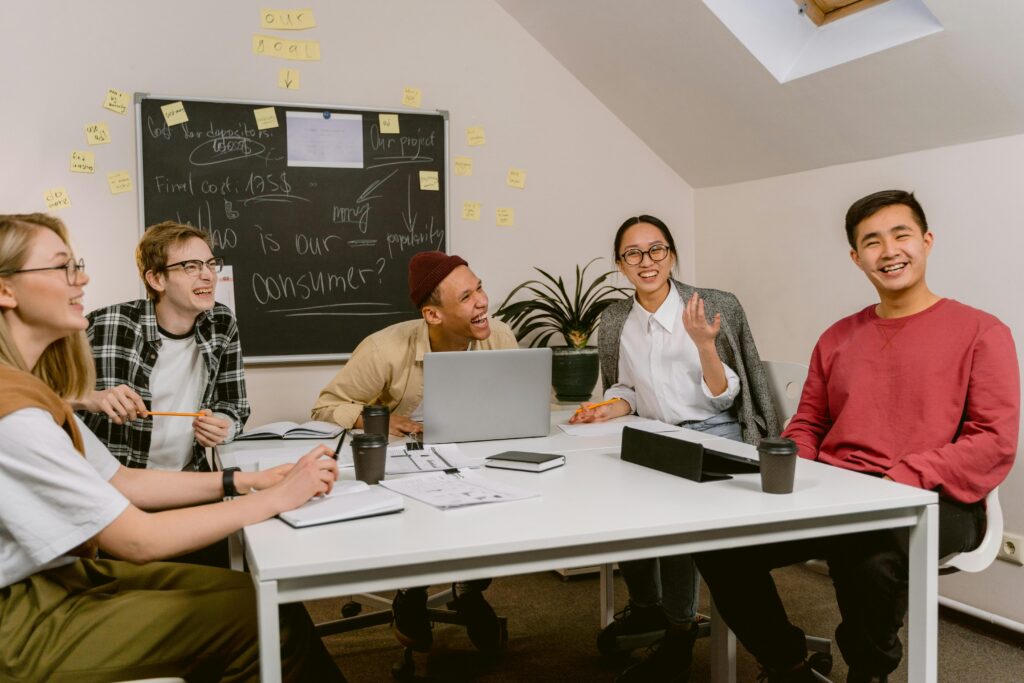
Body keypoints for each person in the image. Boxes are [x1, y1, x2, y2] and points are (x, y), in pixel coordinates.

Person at [0, 212, 346, 682]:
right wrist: (276, 498)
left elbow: (122, 481)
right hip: (24, 608)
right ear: (6, 290)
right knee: (262, 618)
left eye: (210, 264)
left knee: (260, 596)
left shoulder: (25, 392)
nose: (82, 278)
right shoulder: (18, 412)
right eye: (63, 267)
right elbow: (137, 540)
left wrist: (245, 478)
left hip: (58, 575)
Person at [695, 190, 1020, 683]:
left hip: (936, 498)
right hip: (839, 492)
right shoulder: (838, 336)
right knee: (719, 542)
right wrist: (789, 466)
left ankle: (868, 672)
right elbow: (808, 422)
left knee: (867, 553)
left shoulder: (982, 331)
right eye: (872, 242)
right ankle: (787, 664)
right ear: (856, 257)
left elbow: (993, 440)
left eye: (901, 235)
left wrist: (901, 477)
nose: (888, 251)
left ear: (927, 242)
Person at [571, 214, 778, 682]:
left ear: (672, 254)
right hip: (657, 434)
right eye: (633, 254)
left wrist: (705, 344)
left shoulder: (713, 306)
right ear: (620, 264)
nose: (646, 262)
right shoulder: (617, 319)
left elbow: (728, 396)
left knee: (672, 515)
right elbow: (626, 385)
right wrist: (609, 407)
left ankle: (680, 630)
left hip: (715, 431)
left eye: (656, 249)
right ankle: (648, 606)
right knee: (619, 495)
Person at [312, 250, 517, 653]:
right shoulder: (384, 349)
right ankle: (412, 591)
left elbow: (521, 403)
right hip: (407, 465)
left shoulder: (500, 336)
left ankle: (470, 590)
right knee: (417, 513)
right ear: (433, 315)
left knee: (495, 506)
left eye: (480, 288)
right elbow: (324, 406)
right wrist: (379, 420)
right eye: (466, 297)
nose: (482, 302)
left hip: (474, 457)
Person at [74, 220, 249, 474]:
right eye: (191, 266)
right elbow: (39, 397)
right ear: (156, 279)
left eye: (211, 264)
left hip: (188, 476)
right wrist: (90, 398)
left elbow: (235, 405)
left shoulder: (221, 323)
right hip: (111, 482)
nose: (208, 275)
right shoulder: (105, 325)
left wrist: (224, 424)